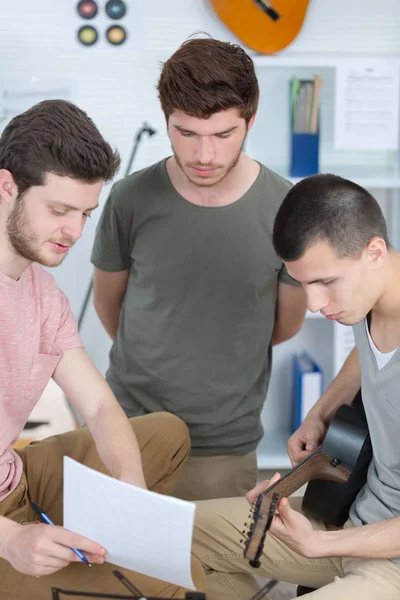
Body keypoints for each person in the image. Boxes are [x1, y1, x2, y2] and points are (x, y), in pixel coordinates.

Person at [0, 99, 204, 600]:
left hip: (15, 477)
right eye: (59, 210)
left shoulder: (41, 293)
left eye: (85, 213)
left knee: (167, 433)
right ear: (7, 187)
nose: (75, 231)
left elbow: (98, 404)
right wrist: (11, 539)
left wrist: (129, 489)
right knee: (173, 586)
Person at [90, 37, 307, 501]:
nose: (204, 156)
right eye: (186, 134)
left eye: (223, 135)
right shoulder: (129, 198)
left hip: (224, 445)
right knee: (116, 569)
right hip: (128, 430)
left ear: (250, 121)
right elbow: (111, 308)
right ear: (167, 120)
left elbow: (285, 325)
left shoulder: (289, 207)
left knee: (213, 573)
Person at [191, 173, 400, 599]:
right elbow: (370, 354)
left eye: (325, 282)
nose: (315, 304)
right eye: (304, 283)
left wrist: (321, 544)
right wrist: (321, 412)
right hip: (350, 514)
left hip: (389, 561)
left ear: (374, 252)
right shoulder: (366, 302)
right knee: (178, 536)